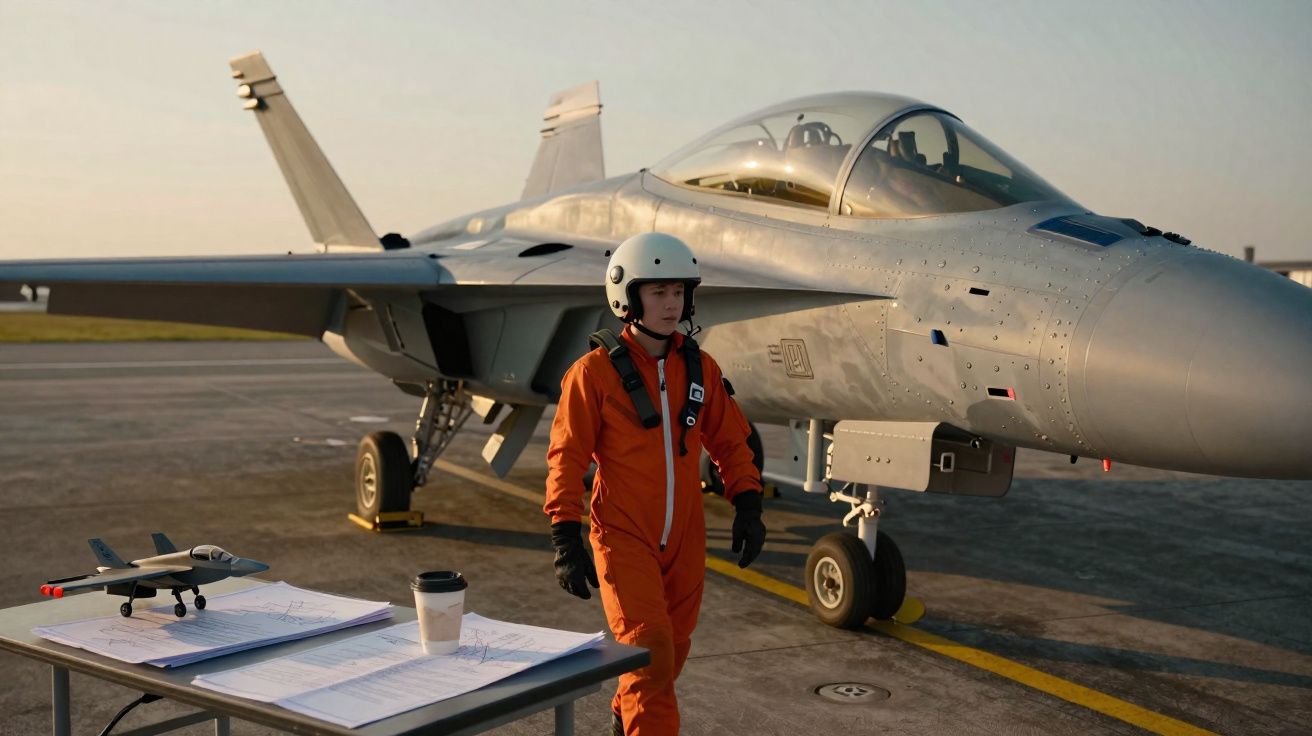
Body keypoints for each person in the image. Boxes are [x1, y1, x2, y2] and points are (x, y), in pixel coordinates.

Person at [543, 232, 767, 735]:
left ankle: (625, 720)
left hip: (685, 539)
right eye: (658, 291)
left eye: (678, 292)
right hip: (623, 535)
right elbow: (567, 456)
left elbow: (732, 441)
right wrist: (564, 534)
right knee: (650, 653)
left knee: (672, 652)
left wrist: (748, 504)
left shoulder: (700, 369)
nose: (671, 304)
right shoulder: (592, 374)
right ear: (628, 296)